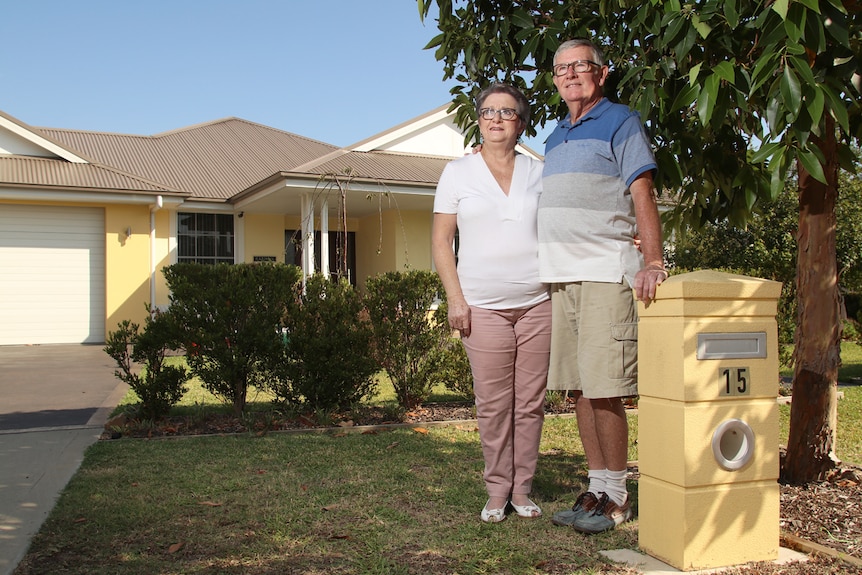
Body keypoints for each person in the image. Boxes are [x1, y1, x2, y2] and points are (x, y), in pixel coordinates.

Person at [540, 38, 666, 534]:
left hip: (602, 273)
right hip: (563, 279)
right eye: (561, 68)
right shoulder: (554, 137)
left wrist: (652, 259)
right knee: (580, 390)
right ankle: (595, 488)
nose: (570, 74)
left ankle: (617, 497)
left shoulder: (620, 120)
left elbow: (642, 190)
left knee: (607, 389)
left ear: (602, 73)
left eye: (580, 66)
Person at [432, 83, 551, 523]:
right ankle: (497, 489)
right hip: (481, 306)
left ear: (521, 122)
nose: (495, 118)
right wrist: (455, 299)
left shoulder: (541, 171)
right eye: (487, 111)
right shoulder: (458, 172)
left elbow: (566, 226)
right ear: (478, 119)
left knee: (530, 402)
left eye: (506, 112)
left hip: (539, 303)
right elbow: (442, 241)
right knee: (494, 403)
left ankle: (523, 489)